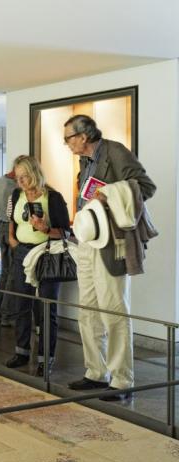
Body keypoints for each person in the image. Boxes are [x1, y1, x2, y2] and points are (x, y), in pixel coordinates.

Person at [64, 114, 156, 401]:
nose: (66, 143)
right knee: (87, 310)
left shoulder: (115, 151)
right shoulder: (84, 161)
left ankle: (121, 379)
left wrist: (109, 194)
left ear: (84, 135)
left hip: (111, 242)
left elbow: (145, 187)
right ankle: (96, 372)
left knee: (114, 310)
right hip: (87, 241)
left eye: (68, 137)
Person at [5, 155, 70, 376]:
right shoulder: (15, 195)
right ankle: (21, 351)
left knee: (46, 308)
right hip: (21, 252)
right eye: (18, 177)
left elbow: (65, 232)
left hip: (46, 255)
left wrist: (44, 229)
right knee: (21, 303)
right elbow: (11, 220)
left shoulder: (53, 197)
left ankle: (45, 358)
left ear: (34, 173)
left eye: (24, 177)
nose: (21, 182)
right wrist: (12, 239)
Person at [0, 170, 16, 325]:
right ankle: (7, 315)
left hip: (1, 227)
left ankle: (0, 311)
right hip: (10, 229)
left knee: (5, 273)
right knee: (11, 274)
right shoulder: (14, 187)